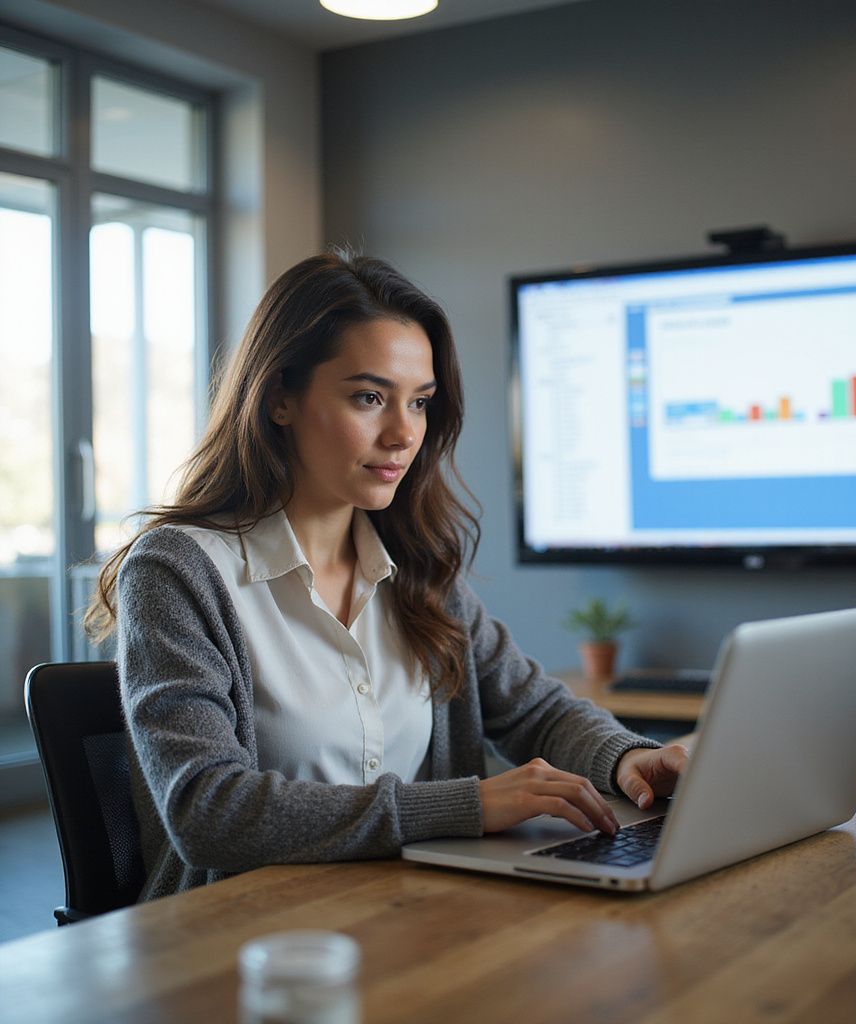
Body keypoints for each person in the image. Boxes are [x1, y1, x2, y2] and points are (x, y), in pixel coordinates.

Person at [85, 250, 688, 901]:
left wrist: (630, 759)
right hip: (240, 942)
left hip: (406, 917)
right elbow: (209, 810)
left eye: (420, 402)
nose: (405, 433)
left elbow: (535, 711)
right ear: (280, 398)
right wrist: (465, 807)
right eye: (370, 398)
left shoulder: (418, 569)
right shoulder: (177, 572)